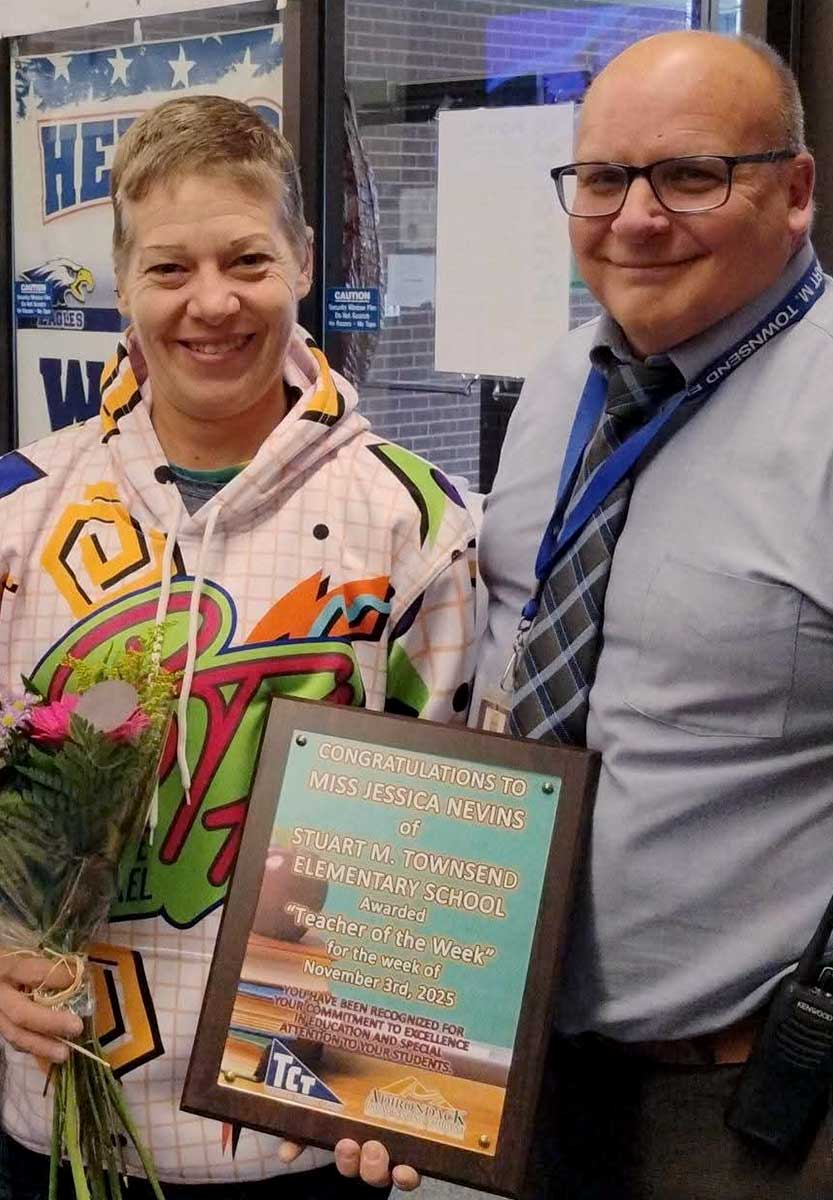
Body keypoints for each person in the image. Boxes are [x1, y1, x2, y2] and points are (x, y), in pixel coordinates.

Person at [0, 95, 475, 1198]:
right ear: (121, 284)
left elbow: (447, 846)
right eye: (169, 270)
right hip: (42, 1126)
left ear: (303, 262)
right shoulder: (19, 511)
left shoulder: (411, 521)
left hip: (296, 1141)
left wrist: (397, 1073)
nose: (211, 303)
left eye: (246, 260)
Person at [473, 29, 833, 1200]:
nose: (634, 216)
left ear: (793, 190)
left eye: (689, 176)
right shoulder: (555, 385)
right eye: (601, 178)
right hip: (518, 1063)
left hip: (743, 1107)